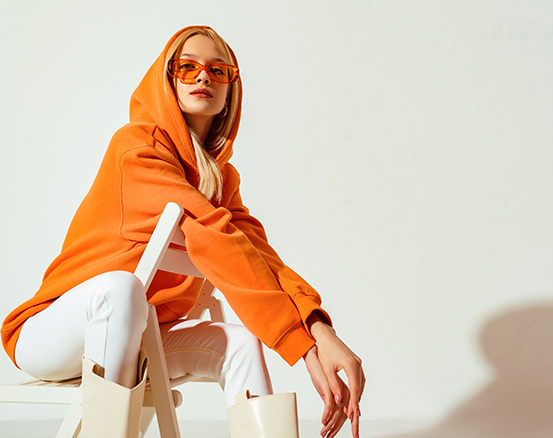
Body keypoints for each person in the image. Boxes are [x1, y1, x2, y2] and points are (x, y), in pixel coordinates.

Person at [1, 25, 365, 438]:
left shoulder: (222, 180)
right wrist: (302, 349)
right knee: (120, 288)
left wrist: (318, 331)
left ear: (230, 91)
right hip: (52, 335)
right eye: (187, 67)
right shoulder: (136, 149)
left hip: (139, 339)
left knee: (240, 343)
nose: (203, 76)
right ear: (167, 80)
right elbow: (215, 238)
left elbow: (260, 260)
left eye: (217, 70)